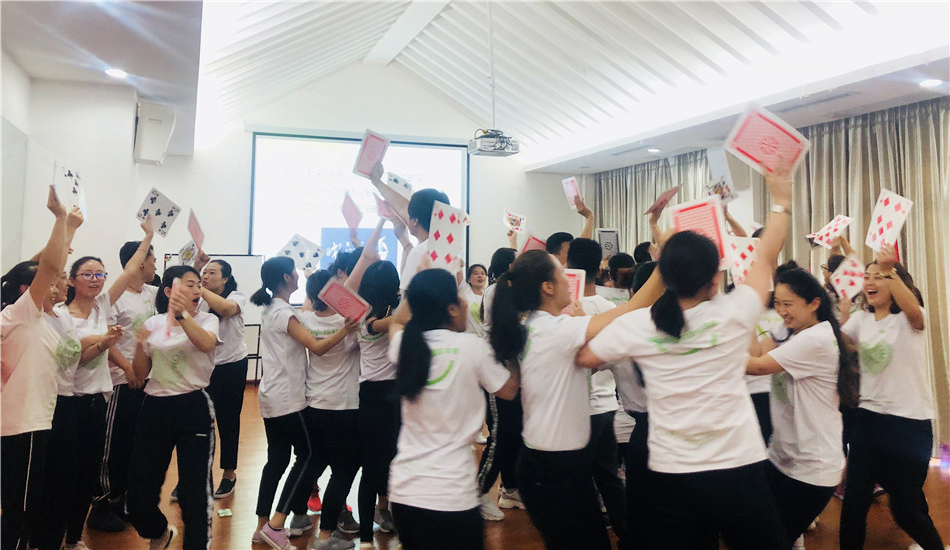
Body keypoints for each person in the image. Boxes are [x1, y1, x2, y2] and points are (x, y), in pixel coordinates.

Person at [577, 166, 794, 550]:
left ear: (664, 275)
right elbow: (765, 259)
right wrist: (782, 200)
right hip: (738, 467)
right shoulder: (734, 312)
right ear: (715, 278)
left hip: (671, 472)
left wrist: (576, 320)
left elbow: (586, 357)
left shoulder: (639, 324)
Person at [489, 248, 663, 550]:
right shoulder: (556, 330)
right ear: (548, 287)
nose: (569, 280)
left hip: (555, 464)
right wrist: (667, 261)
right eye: (561, 273)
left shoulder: (536, 327)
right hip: (553, 469)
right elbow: (634, 306)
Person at [34, 219, 155, 550]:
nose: (95, 279)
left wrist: (147, 237)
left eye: (100, 274)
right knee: (63, 475)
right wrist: (101, 343)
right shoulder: (59, 314)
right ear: (72, 279)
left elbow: (129, 271)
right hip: (66, 402)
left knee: (87, 473)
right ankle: (47, 538)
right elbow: (76, 358)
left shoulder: (103, 305)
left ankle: (73, 538)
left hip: (96, 401)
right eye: (87, 274)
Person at [387, 269, 519, 550]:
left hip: (405, 493)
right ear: (451, 309)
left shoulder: (406, 345)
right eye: (460, 298)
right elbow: (509, 391)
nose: (465, 303)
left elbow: (396, 322)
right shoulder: (472, 347)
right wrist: (513, 342)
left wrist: (417, 281)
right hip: (453, 496)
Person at [837, 245, 945, 550]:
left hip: (908, 424)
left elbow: (914, 312)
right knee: (854, 503)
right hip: (868, 420)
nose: (870, 281)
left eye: (879, 276)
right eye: (867, 276)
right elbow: (840, 344)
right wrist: (843, 312)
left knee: (907, 509)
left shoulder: (909, 320)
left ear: (896, 283)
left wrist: (890, 269)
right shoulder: (862, 319)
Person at [745, 267, 859, 547]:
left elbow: (758, 366)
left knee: (768, 540)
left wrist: (708, 352)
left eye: (789, 304)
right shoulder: (796, 332)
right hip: (784, 458)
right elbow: (759, 353)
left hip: (812, 467)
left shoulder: (815, 339)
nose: (781, 311)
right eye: (777, 303)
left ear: (814, 303)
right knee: (763, 531)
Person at [250, 256, 357, 550]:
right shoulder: (286, 313)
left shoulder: (274, 308)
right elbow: (318, 348)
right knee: (310, 456)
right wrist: (346, 329)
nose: (298, 275)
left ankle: (265, 525)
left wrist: (316, 284)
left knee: (277, 461)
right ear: (286, 277)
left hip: (272, 396)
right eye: (295, 272)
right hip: (288, 399)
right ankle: (276, 524)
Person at [1, 188, 76, 550]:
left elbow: (50, 268)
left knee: (21, 507)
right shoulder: (21, 314)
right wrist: (60, 219)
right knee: (21, 511)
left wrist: (69, 231)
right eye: (51, 284)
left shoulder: (33, 317)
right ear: (24, 290)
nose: (59, 286)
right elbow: (47, 269)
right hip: (24, 426)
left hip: (29, 423)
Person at [127, 265, 220, 550]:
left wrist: (182, 316)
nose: (197, 289)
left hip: (193, 406)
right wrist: (139, 344)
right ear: (169, 291)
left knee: (194, 492)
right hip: (155, 407)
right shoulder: (153, 323)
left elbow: (206, 344)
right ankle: (158, 532)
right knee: (139, 491)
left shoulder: (207, 320)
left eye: (198, 285)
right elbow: (139, 375)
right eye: (189, 284)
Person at [88, 235, 160, 532]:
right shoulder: (116, 298)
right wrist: (128, 368)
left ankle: (123, 499)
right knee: (112, 446)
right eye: (153, 260)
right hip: (121, 380)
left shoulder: (152, 292)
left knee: (134, 443)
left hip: (146, 380)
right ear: (140, 263)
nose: (156, 265)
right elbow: (109, 340)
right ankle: (102, 504)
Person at [567, 237, 627, 545]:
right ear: (600, 269)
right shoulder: (609, 308)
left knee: (577, 484)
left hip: (578, 411)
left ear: (568, 266)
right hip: (606, 406)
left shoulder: (564, 310)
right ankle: (628, 536)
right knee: (608, 479)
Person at [197, 258, 248, 499]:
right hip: (204, 368)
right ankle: (198, 476)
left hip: (232, 367)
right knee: (200, 423)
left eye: (212, 273)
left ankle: (229, 474)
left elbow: (226, 310)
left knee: (228, 421)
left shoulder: (236, 296)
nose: (206, 276)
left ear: (225, 279)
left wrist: (200, 287)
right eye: (204, 272)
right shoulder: (199, 298)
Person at [461, 263, 488, 338]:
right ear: (468, 279)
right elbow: (459, 275)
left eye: (483, 274)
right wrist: (458, 264)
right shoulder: (465, 292)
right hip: (468, 338)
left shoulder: (488, 295)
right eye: (476, 273)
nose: (480, 276)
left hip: (485, 339)